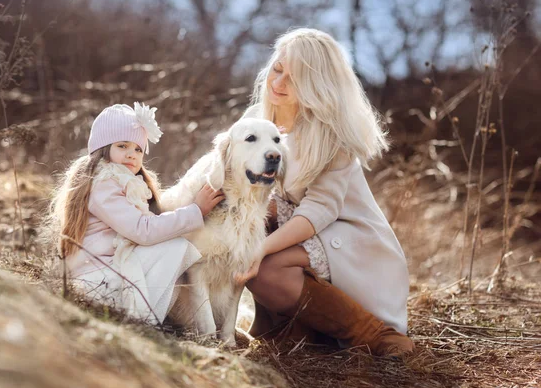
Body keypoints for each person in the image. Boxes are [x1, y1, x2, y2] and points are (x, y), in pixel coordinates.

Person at [242, 28, 415, 356]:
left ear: (315, 85)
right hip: (294, 228)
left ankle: (375, 334)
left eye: (293, 79)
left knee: (264, 270)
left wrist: (261, 248)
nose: (278, 84)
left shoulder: (330, 135)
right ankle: (292, 329)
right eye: (277, 70)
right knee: (243, 236)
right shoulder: (256, 120)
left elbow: (317, 211)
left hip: (344, 238)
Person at [47, 102, 224, 325]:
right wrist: (195, 211)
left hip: (107, 272)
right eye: (123, 146)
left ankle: (161, 315)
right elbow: (142, 230)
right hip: (98, 281)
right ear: (103, 148)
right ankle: (145, 318)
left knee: (172, 245)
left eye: (138, 149)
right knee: (175, 247)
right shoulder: (103, 183)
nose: (132, 154)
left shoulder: (124, 184)